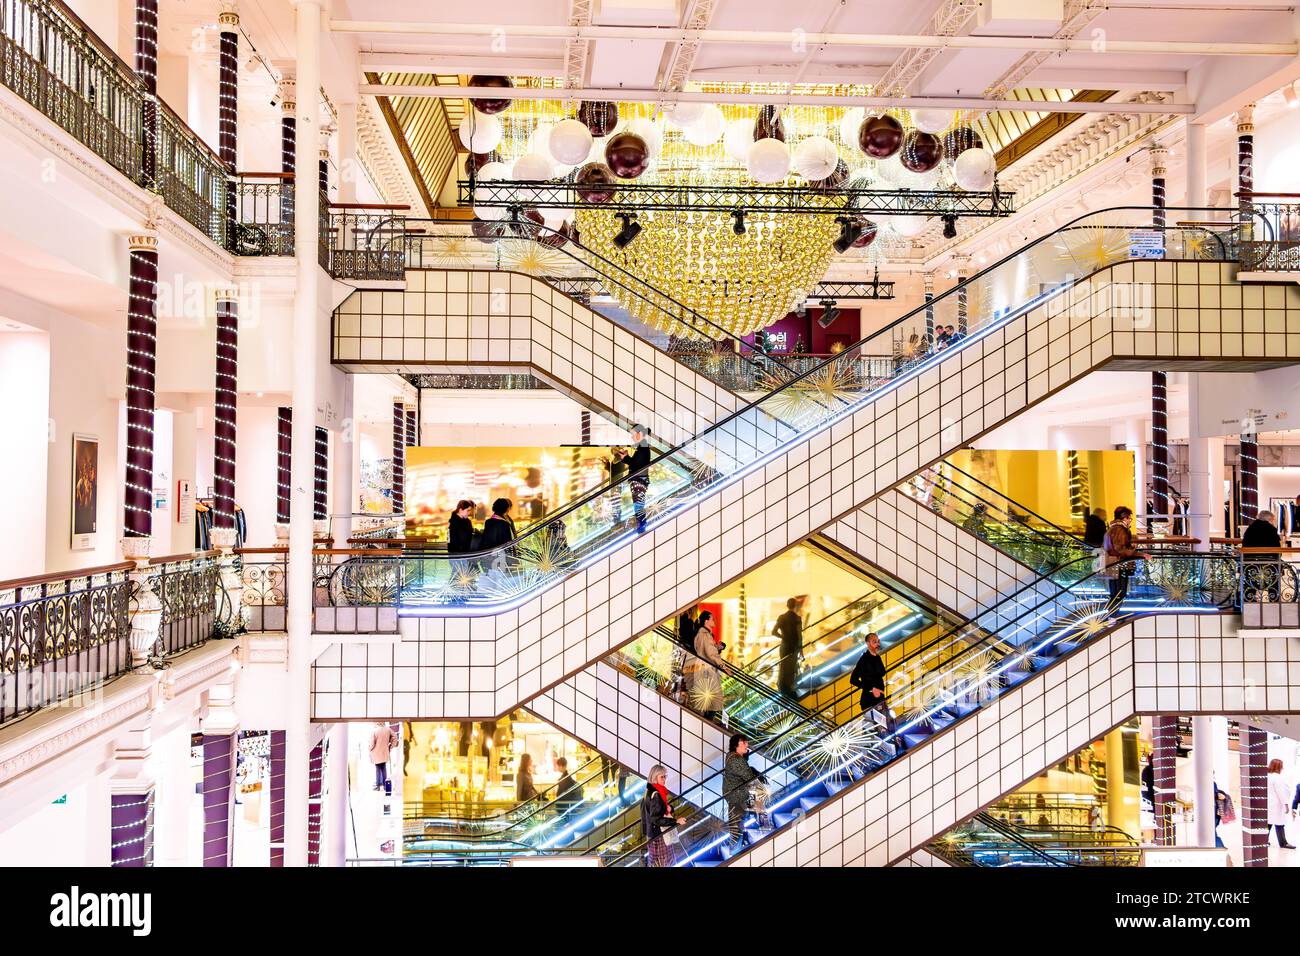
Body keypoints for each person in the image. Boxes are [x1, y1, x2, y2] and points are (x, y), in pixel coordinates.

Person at [848, 632, 900, 750]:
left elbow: (879, 675)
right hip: (869, 700)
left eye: (878, 641)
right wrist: (872, 689)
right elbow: (853, 679)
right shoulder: (864, 660)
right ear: (867, 643)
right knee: (874, 729)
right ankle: (873, 751)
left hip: (879, 699)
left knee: (884, 725)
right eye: (874, 641)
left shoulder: (877, 657)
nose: (877, 644)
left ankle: (889, 748)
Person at [1102, 506, 1149, 610]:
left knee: (1114, 593)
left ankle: (1111, 617)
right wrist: (1141, 554)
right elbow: (1120, 549)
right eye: (1129, 518)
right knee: (1119, 593)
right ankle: (1114, 617)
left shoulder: (1111, 529)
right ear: (1124, 518)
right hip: (1119, 565)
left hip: (1112, 564)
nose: (1130, 521)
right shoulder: (1120, 530)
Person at [722, 734, 764, 849]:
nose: (747, 745)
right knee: (736, 827)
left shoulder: (733, 757)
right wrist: (758, 778)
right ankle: (736, 852)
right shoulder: (736, 759)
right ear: (736, 744)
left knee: (737, 825)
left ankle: (761, 822)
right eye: (744, 742)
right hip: (737, 796)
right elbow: (748, 776)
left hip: (736, 795)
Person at [683, 609, 726, 722]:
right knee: (711, 702)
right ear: (706, 621)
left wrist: (717, 648)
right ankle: (706, 723)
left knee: (710, 702)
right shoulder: (704, 634)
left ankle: (705, 723)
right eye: (712, 618)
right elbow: (710, 654)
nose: (714, 621)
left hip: (705, 669)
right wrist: (724, 667)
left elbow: (707, 651)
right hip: (705, 670)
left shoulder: (705, 634)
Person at [640, 764, 686, 867]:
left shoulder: (648, 790)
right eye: (662, 777)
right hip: (659, 835)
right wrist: (676, 821)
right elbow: (657, 819)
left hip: (651, 834)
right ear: (654, 777)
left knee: (655, 863)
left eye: (665, 776)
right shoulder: (656, 794)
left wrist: (670, 808)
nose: (664, 779)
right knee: (666, 862)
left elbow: (649, 812)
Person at [1241, 509, 1282, 601]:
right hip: (1269, 560)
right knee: (1274, 578)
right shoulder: (1271, 529)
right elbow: (1276, 547)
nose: (1273, 522)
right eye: (1272, 520)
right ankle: (1274, 599)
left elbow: (1245, 543)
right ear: (1268, 519)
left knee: (1249, 579)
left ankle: (1249, 600)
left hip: (1249, 560)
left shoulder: (1250, 528)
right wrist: (1279, 557)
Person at [773, 597, 804, 699]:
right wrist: (801, 651)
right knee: (791, 668)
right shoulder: (797, 618)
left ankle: (781, 688)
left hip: (784, 646)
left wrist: (783, 637)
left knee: (783, 666)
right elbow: (799, 636)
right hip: (793, 647)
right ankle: (789, 690)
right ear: (795, 606)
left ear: (787, 605)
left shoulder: (781, 617)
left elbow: (774, 632)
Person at [626, 425, 651, 533]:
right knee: (638, 504)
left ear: (639, 434)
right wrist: (626, 457)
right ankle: (641, 525)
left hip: (639, 480)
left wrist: (626, 458)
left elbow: (636, 465)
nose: (632, 437)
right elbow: (636, 464)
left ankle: (641, 526)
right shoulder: (642, 447)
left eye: (633, 434)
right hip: (639, 480)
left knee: (638, 505)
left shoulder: (643, 448)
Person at [1268, 758, 1296, 849]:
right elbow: (1281, 792)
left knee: (1269, 823)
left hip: (1269, 803)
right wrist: (1286, 804)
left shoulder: (1268, 776)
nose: (1282, 768)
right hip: (1277, 804)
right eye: (1281, 766)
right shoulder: (1277, 777)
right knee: (1279, 824)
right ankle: (1283, 843)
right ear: (1278, 767)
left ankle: (1263, 841)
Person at [370, 721, 397, 793]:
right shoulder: (388, 729)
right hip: (385, 752)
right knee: (384, 768)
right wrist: (391, 746)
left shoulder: (374, 731)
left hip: (376, 753)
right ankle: (385, 785)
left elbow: (372, 744)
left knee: (378, 768)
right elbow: (395, 737)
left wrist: (369, 749)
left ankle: (378, 785)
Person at [606, 447, 628, 522]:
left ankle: (616, 519)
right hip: (615, 486)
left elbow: (613, 471)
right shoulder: (618, 460)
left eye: (614, 450)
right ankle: (616, 519)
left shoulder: (618, 460)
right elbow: (614, 471)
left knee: (615, 503)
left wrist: (607, 464)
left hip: (615, 486)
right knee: (615, 503)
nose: (612, 451)